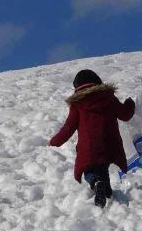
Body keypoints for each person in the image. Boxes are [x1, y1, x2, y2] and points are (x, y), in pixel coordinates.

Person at [49, 69, 136, 208]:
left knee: (89, 171)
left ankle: (96, 183)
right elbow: (125, 115)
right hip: (110, 145)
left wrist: (55, 141)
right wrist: (130, 103)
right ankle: (106, 192)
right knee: (103, 169)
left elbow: (69, 127)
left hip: (88, 148)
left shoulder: (78, 104)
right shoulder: (109, 98)